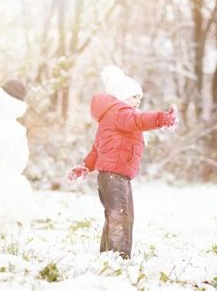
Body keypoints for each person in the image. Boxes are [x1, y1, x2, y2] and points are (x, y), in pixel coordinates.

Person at [67, 65, 178, 259]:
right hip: (115, 176)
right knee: (121, 216)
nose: (138, 101)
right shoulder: (121, 112)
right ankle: (118, 256)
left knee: (114, 215)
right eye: (135, 97)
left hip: (110, 176)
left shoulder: (110, 116)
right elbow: (140, 120)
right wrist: (161, 118)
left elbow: (97, 148)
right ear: (121, 96)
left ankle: (108, 254)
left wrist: (85, 166)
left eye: (139, 98)